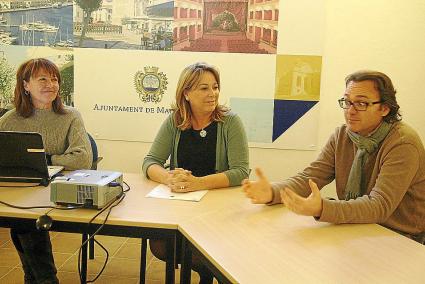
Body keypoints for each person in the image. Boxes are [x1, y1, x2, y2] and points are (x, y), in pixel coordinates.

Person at [243, 70, 425, 244]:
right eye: (347, 102)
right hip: (358, 229)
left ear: (384, 108)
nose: (350, 111)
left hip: (400, 237)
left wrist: (322, 208)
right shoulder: (343, 135)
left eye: (361, 104)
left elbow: (379, 206)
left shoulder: (403, 143)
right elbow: (309, 177)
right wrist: (273, 192)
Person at [142, 62, 249, 283]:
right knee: (161, 245)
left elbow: (241, 172)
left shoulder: (231, 122)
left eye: (215, 87)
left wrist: (198, 183)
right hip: (182, 205)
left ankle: (206, 272)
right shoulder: (175, 120)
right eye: (204, 88)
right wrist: (168, 178)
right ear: (186, 93)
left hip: (219, 208)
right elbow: (150, 162)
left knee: (205, 252)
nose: (213, 94)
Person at [0, 58, 92, 283]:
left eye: (54, 79)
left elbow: (83, 159)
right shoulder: (9, 120)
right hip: (22, 191)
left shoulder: (71, 116)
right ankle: (41, 279)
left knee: (26, 222)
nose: (51, 84)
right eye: (42, 79)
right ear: (25, 85)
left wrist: (47, 159)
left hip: (60, 191)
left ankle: (42, 279)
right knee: (24, 219)